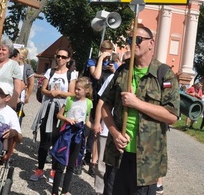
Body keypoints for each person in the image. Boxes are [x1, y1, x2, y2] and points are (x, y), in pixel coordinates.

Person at [101, 24, 180, 195]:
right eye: (130, 39)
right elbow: (105, 105)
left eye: (138, 39)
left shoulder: (164, 74)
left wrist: (137, 103)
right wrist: (115, 133)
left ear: (151, 43)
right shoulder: (123, 71)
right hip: (118, 153)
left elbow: (172, 116)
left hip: (146, 159)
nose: (133, 43)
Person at [30, 48, 77, 181]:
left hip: (62, 110)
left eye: (63, 57)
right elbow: (43, 89)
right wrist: (49, 92)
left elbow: (73, 93)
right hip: (48, 108)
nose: (60, 59)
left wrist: (60, 93)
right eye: (58, 56)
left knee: (58, 140)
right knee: (44, 140)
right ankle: (39, 169)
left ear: (68, 59)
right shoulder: (50, 71)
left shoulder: (71, 75)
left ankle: (53, 171)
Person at [50, 77, 93, 195]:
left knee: (71, 165)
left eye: (79, 89)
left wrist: (94, 127)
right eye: (76, 89)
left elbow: (87, 120)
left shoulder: (89, 103)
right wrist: (67, 119)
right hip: (66, 135)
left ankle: (65, 191)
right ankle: (54, 191)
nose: (76, 91)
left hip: (78, 136)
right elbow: (59, 115)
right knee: (60, 164)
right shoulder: (69, 100)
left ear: (86, 91)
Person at [85, 40, 117, 174]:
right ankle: (88, 157)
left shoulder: (112, 64)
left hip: (107, 100)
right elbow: (96, 75)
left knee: (101, 131)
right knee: (91, 129)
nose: (106, 53)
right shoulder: (92, 61)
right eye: (104, 50)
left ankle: (95, 160)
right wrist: (100, 60)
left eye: (109, 51)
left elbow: (117, 77)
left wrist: (113, 68)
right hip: (94, 98)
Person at [0, 37, 24, 110]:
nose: (0, 51)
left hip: (6, 101)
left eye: (3, 50)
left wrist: (13, 101)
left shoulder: (14, 65)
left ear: (9, 52)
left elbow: (18, 86)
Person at [10, 47, 35, 124]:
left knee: (18, 114)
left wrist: (27, 96)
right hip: (10, 91)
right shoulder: (12, 64)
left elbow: (31, 83)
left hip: (20, 95)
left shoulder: (27, 67)